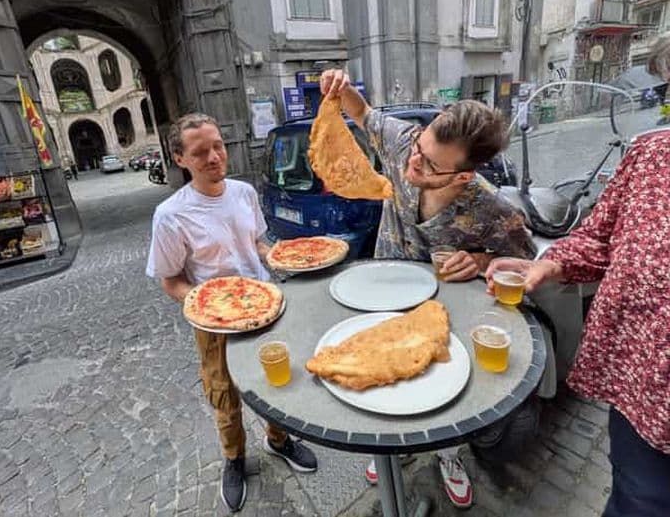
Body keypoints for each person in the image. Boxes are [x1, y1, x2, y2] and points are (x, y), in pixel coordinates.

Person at [320, 70, 536, 509]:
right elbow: (361, 113)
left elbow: (527, 264)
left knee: (436, 395)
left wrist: (480, 261)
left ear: (462, 177)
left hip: (441, 320)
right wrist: (339, 85)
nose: (413, 164)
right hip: (379, 298)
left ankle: (448, 455)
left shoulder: (491, 208)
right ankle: (396, 450)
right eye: (420, 149)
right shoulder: (406, 144)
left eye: (431, 165)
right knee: (387, 387)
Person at [485, 50, 670, 517]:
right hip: (641, 382)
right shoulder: (651, 155)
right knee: (636, 497)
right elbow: (600, 237)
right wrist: (550, 264)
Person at [146, 113, 317, 513]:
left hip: (265, 305)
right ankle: (234, 458)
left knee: (276, 381)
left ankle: (279, 440)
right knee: (224, 395)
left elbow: (256, 244)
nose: (213, 157)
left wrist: (275, 255)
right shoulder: (171, 215)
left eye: (218, 145)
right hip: (214, 321)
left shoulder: (243, 193)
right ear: (179, 159)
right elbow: (170, 281)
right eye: (200, 152)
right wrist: (215, 304)